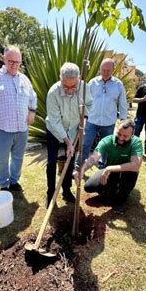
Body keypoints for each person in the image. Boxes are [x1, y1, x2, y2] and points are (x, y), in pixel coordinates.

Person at [0, 45, 37, 191]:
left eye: (17, 62)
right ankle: (3, 184)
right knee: (1, 160)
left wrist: (32, 111)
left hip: (22, 129)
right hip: (2, 129)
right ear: (3, 59)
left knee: (18, 158)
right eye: (10, 61)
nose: (14, 65)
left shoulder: (24, 79)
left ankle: (14, 181)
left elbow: (33, 97)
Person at [45, 62, 92, 206]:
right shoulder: (53, 93)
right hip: (54, 129)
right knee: (52, 161)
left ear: (78, 80)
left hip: (73, 129)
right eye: (66, 87)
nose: (70, 91)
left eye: (74, 87)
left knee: (70, 160)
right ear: (60, 79)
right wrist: (67, 142)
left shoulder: (84, 87)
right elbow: (55, 120)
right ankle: (51, 193)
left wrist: (84, 116)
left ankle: (66, 191)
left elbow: (89, 104)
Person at [73, 119, 143, 214]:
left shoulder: (136, 142)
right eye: (119, 134)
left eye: (125, 136)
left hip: (127, 173)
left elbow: (135, 165)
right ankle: (111, 190)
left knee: (129, 176)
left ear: (132, 135)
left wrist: (109, 168)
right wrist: (82, 170)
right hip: (110, 172)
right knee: (89, 187)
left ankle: (120, 200)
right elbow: (94, 157)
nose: (121, 138)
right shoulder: (107, 140)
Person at [79, 58, 128, 165]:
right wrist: (83, 116)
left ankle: (104, 166)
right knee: (85, 144)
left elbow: (123, 103)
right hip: (92, 120)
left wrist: (123, 120)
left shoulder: (118, 84)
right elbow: (84, 100)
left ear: (113, 70)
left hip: (109, 122)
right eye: (103, 70)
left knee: (106, 146)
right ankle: (79, 166)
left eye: (108, 70)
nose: (105, 73)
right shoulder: (92, 83)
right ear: (100, 69)